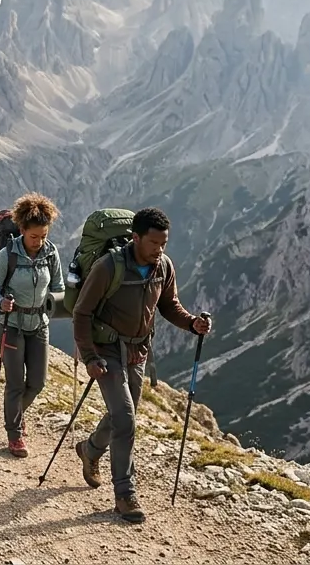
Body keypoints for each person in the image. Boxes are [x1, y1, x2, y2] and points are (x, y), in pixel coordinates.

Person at [72, 207, 213, 524]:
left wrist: (192, 324)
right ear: (135, 238)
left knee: (123, 415)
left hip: (137, 353)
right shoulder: (108, 267)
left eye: (163, 243)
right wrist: (90, 357)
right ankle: (125, 494)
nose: (159, 249)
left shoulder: (162, 266)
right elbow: (82, 313)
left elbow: (169, 305)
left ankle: (90, 450)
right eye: (153, 243)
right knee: (125, 418)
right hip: (106, 350)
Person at [0, 192, 64, 458]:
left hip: (39, 325)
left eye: (43, 235)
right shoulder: (7, 255)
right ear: (22, 230)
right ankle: (15, 433)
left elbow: (59, 287)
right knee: (16, 383)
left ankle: (15, 415)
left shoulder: (51, 253)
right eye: (34, 236)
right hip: (11, 324)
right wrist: (0, 303)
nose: (39, 241)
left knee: (38, 383)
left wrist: (57, 302)